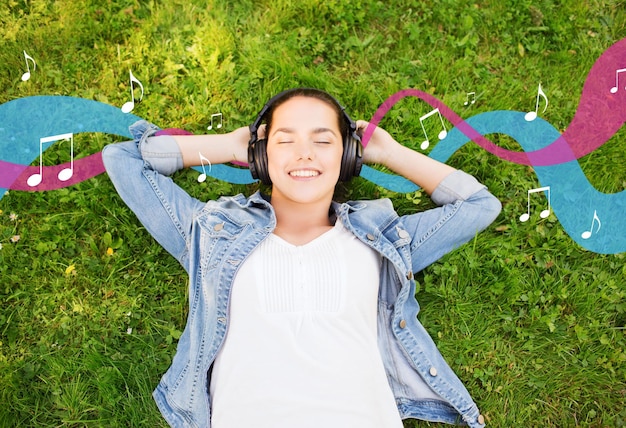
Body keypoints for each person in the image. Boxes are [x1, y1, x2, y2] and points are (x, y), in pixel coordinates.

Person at [102, 88, 501, 428]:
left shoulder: (382, 239)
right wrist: (228, 145)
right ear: (261, 155)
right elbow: (125, 160)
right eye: (285, 140)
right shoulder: (211, 233)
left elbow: (478, 205)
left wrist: (391, 154)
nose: (304, 154)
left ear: (348, 157)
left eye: (324, 141)